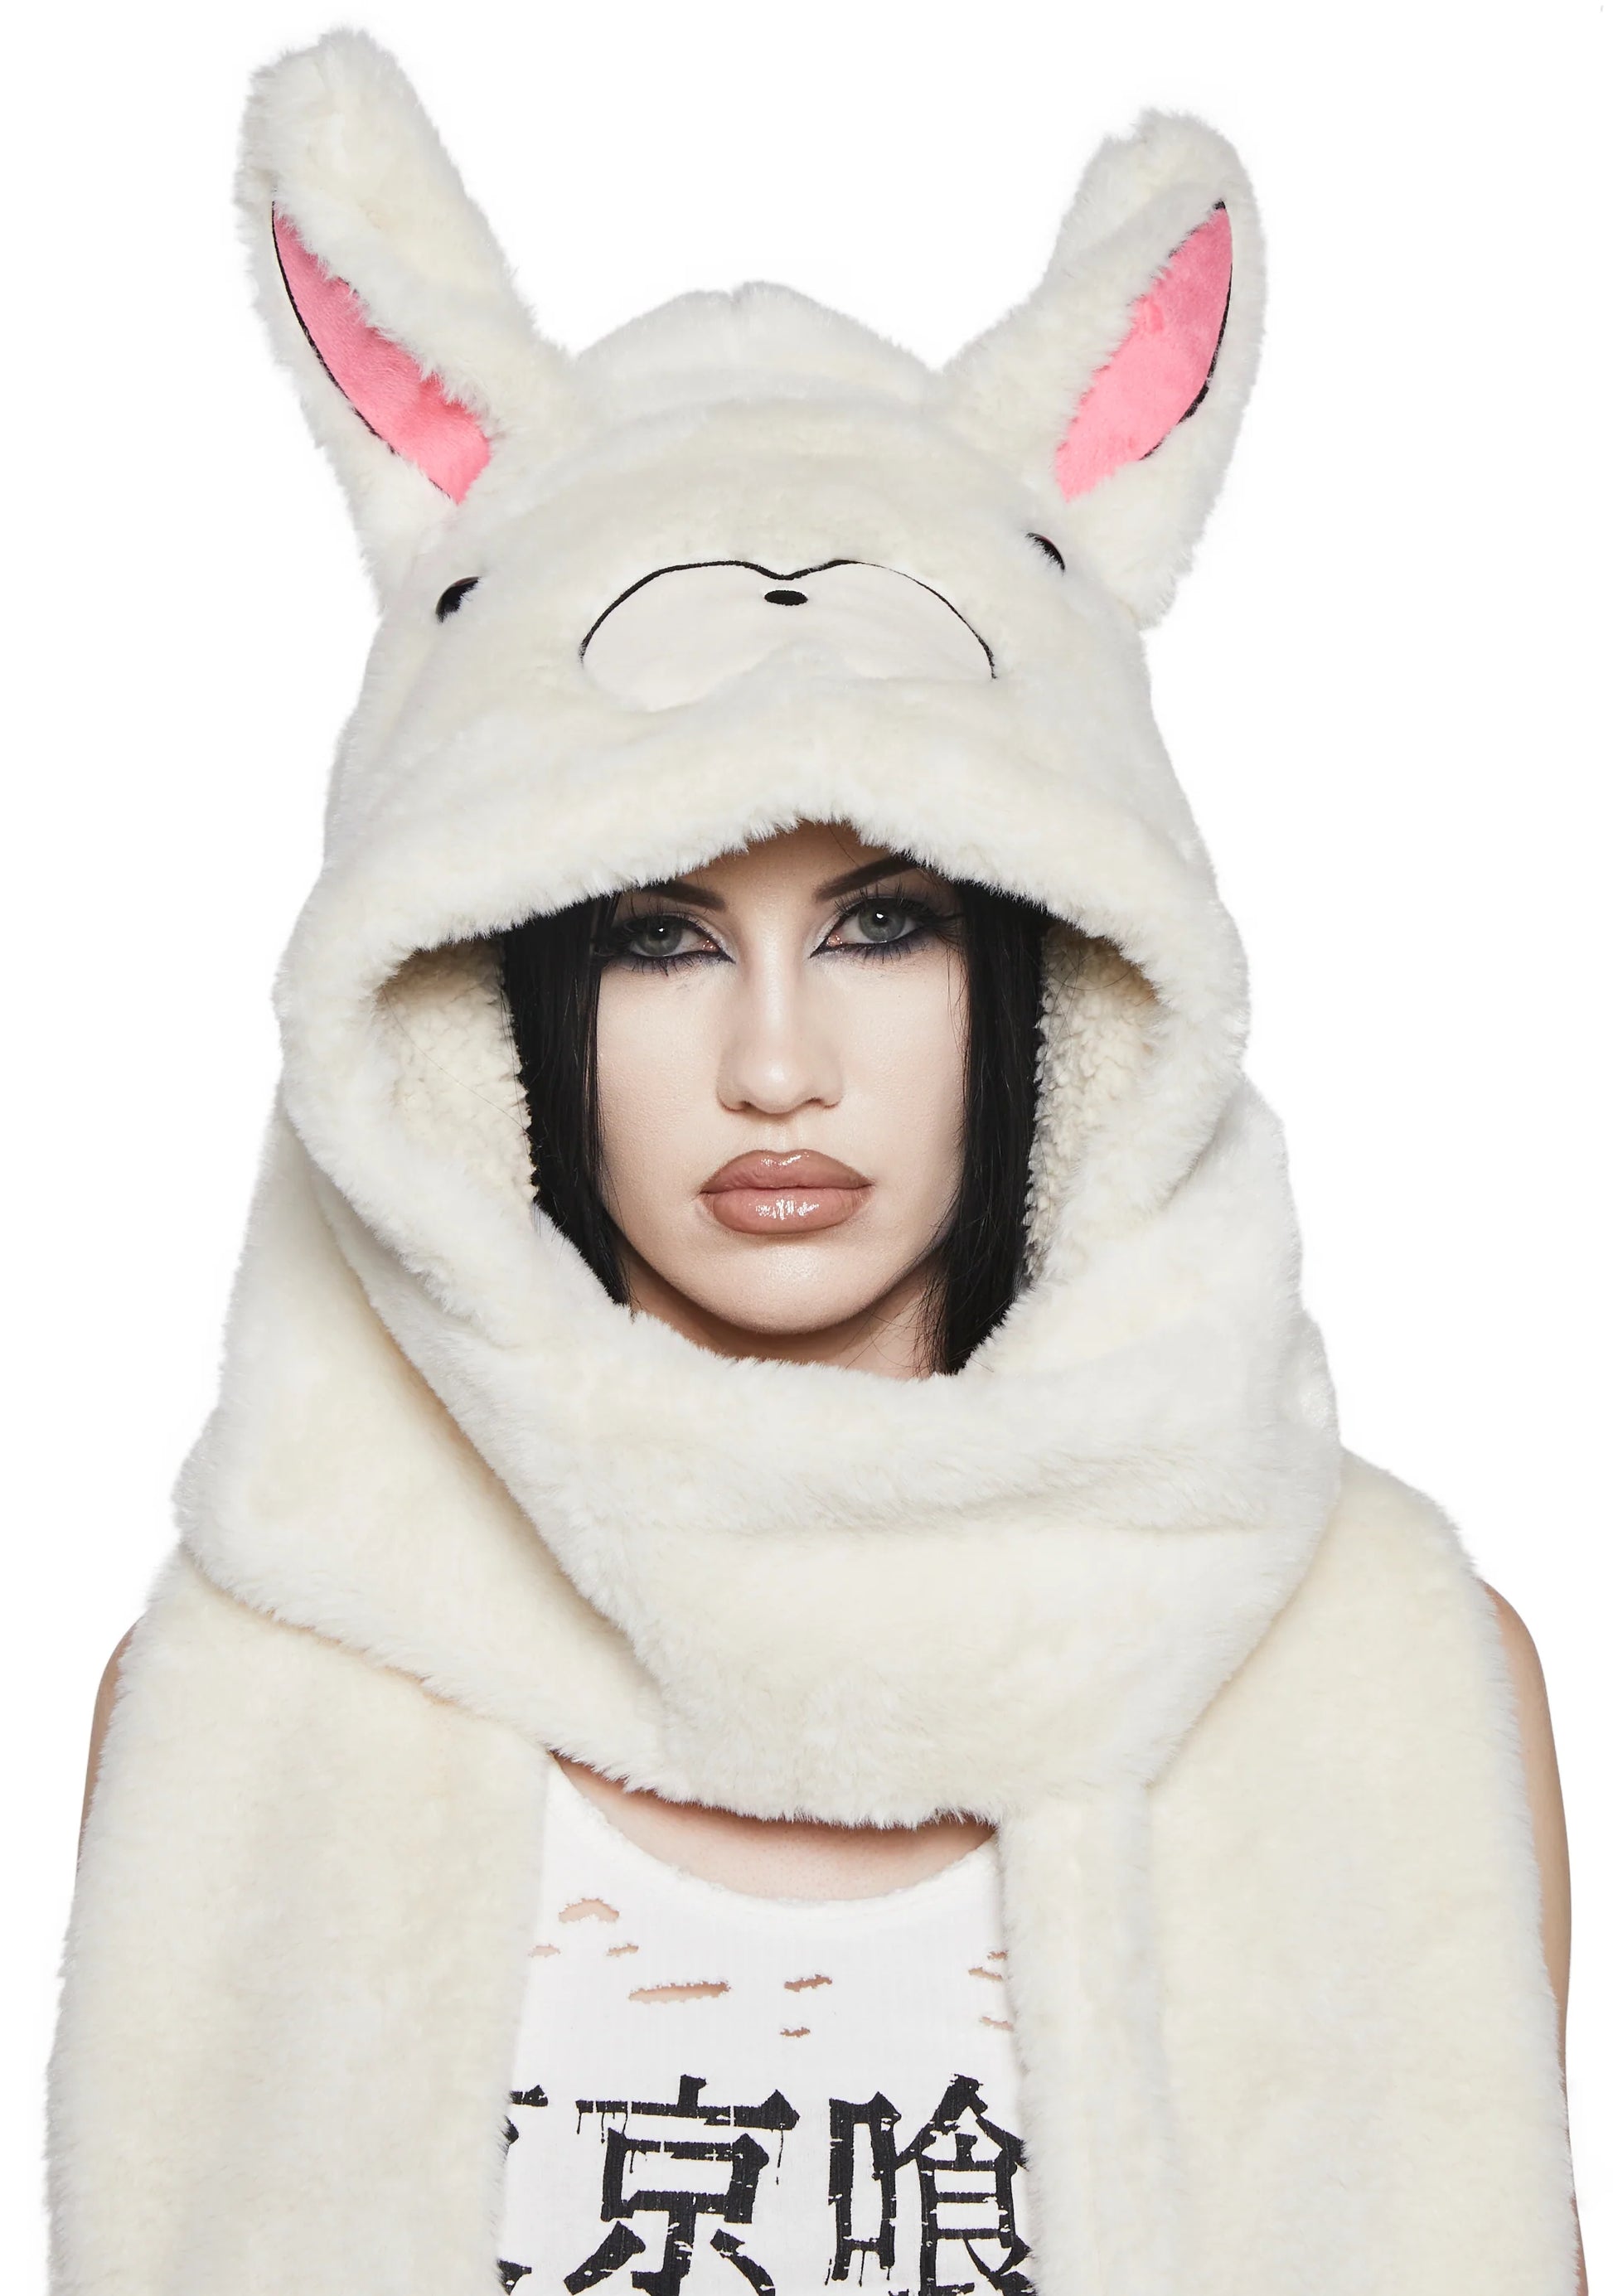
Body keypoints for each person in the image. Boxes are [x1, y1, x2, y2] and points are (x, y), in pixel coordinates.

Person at [52, 31, 1582, 2296]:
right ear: (487, 1001)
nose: (777, 1064)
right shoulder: (242, 1702)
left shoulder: (1387, 1673)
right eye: (659, 937)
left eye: (883, 924)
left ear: (1057, 969)